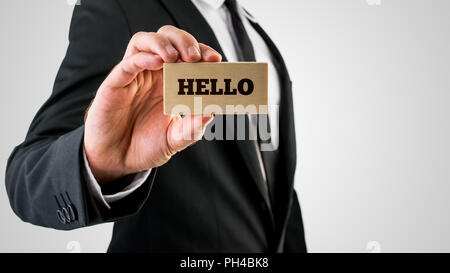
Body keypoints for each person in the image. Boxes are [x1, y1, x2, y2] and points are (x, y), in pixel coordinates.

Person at [5, 0, 306, 252]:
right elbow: (27, 177)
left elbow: (276, 190)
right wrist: (97, 162)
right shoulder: (121, 8)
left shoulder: (259, 36)